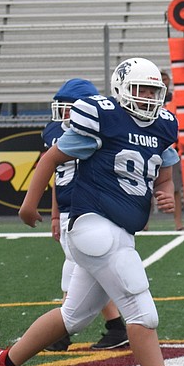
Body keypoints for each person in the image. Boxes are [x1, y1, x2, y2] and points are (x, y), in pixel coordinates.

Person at [0, 57, 184, 366]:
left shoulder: (163, 124)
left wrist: (165, 191)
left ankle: (5, 361)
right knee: (142, 310)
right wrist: (30, 205)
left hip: (118, 228)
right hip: (94, 225)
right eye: (142, 90)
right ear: (122, 89)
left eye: (155, 91)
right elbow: (50, 158)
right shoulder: (103, 118)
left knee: (73, 316)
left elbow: (164, 165)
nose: (149, 98)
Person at [42, 79, 130, 352]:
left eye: (69, 108)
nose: (63, 114)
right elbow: (57, 175)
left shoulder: (99, 130)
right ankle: (116, 327)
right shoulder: (53, 130)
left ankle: (63, 334)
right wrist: (55, 215)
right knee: (84, 268)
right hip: (68, 209)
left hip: (87, 209)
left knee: (79, 267)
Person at [160, 69, 184, 231]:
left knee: (175, 188)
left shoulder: (175, 99)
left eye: (165, 78)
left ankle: (178, 223)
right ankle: (144, 224)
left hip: (171, 149)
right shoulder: (150, 99)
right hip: (151, 147)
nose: (163, 82)